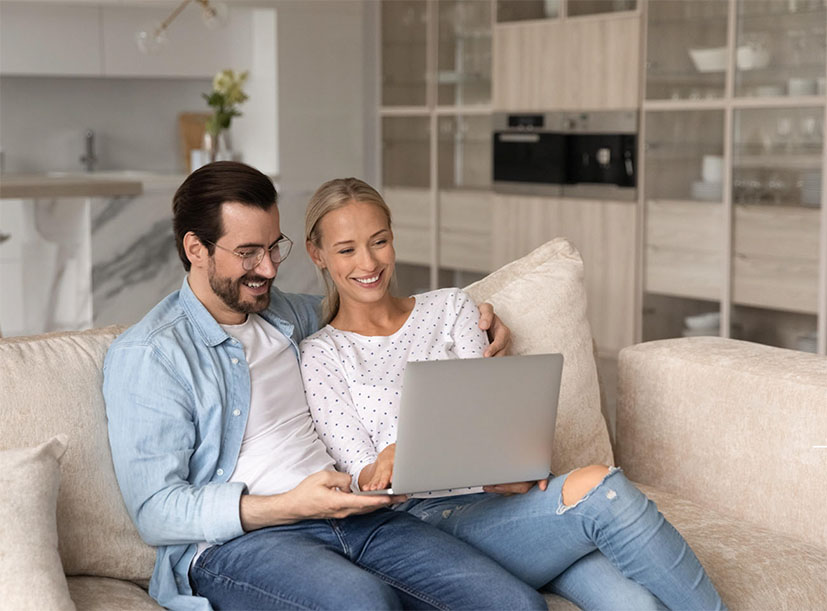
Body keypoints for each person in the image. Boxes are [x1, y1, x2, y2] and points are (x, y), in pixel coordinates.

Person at [102, 161, 544, 611]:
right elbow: (155, 512)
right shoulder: (151, 355)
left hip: (357, 517)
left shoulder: (288, 315)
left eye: (274, 248)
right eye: (249, 253)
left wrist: (481, 314)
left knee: (517, 604)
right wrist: (292, 505)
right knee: (364, 604)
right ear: (196, 248)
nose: (268, 269)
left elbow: (379, 307)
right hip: (246, 542)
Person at [299, 177, 727, 611]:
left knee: (637, 605)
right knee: (601, 488)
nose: (368, 262)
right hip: (427, 526)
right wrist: (393, 462)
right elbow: (361, 479)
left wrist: (514, 463)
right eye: (346, 250)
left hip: (509, 503)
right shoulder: (322, 355)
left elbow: (493, 415)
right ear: (317, 254)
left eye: (379, 241)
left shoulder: (450, 307)